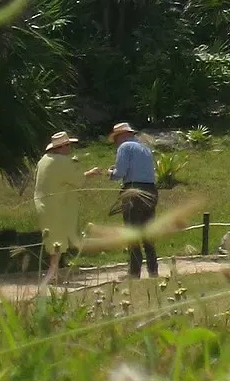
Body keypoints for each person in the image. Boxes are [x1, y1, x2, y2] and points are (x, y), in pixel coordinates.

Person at [86, 121, 159, 279]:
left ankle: (134, 271)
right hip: (151, 190)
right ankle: (153, 270)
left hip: (133, 191)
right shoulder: (145, 148)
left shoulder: (124, 147)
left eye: (117, 138)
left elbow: (120, 173)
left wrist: (109, 172)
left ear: (122, 136)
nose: (116, 142)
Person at [33, 131, 83, 283]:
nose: (69, 148)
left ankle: (54, 273)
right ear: (61, 147)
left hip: (43, 204)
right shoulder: (63, 162)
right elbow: (78, 181)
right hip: (57, 206)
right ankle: (51, 275)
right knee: (57, 240)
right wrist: (87, 172)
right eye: (67, 145)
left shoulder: (43, 160)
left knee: (53, 240)